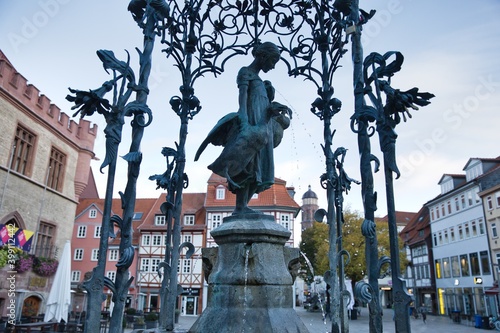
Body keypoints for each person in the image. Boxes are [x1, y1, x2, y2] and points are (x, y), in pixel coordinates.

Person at [195, 42, 291, 215]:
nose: (273, 65)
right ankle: (240, 207)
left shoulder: (262, 82)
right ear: (262, 56)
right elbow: (242, 102)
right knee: (249, 165)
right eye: (272, 60)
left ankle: (243, 206)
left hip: (264, 126)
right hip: (252, 123)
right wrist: (245, 124)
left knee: (261, 166)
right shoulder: (246, 73)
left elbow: (265, 105)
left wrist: (272, 102)